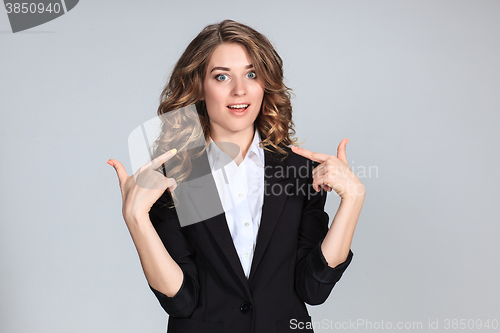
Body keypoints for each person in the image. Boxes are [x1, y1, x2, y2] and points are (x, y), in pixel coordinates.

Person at [107, 20, 365, 333]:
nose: (239, 89)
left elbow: (313, 289)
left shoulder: (299, 171)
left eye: (251, 74)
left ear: (265, 84)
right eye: (222, 76)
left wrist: (352, 200)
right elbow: (182, 301)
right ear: (200, 87)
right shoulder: (178, 176)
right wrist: (136, 218)